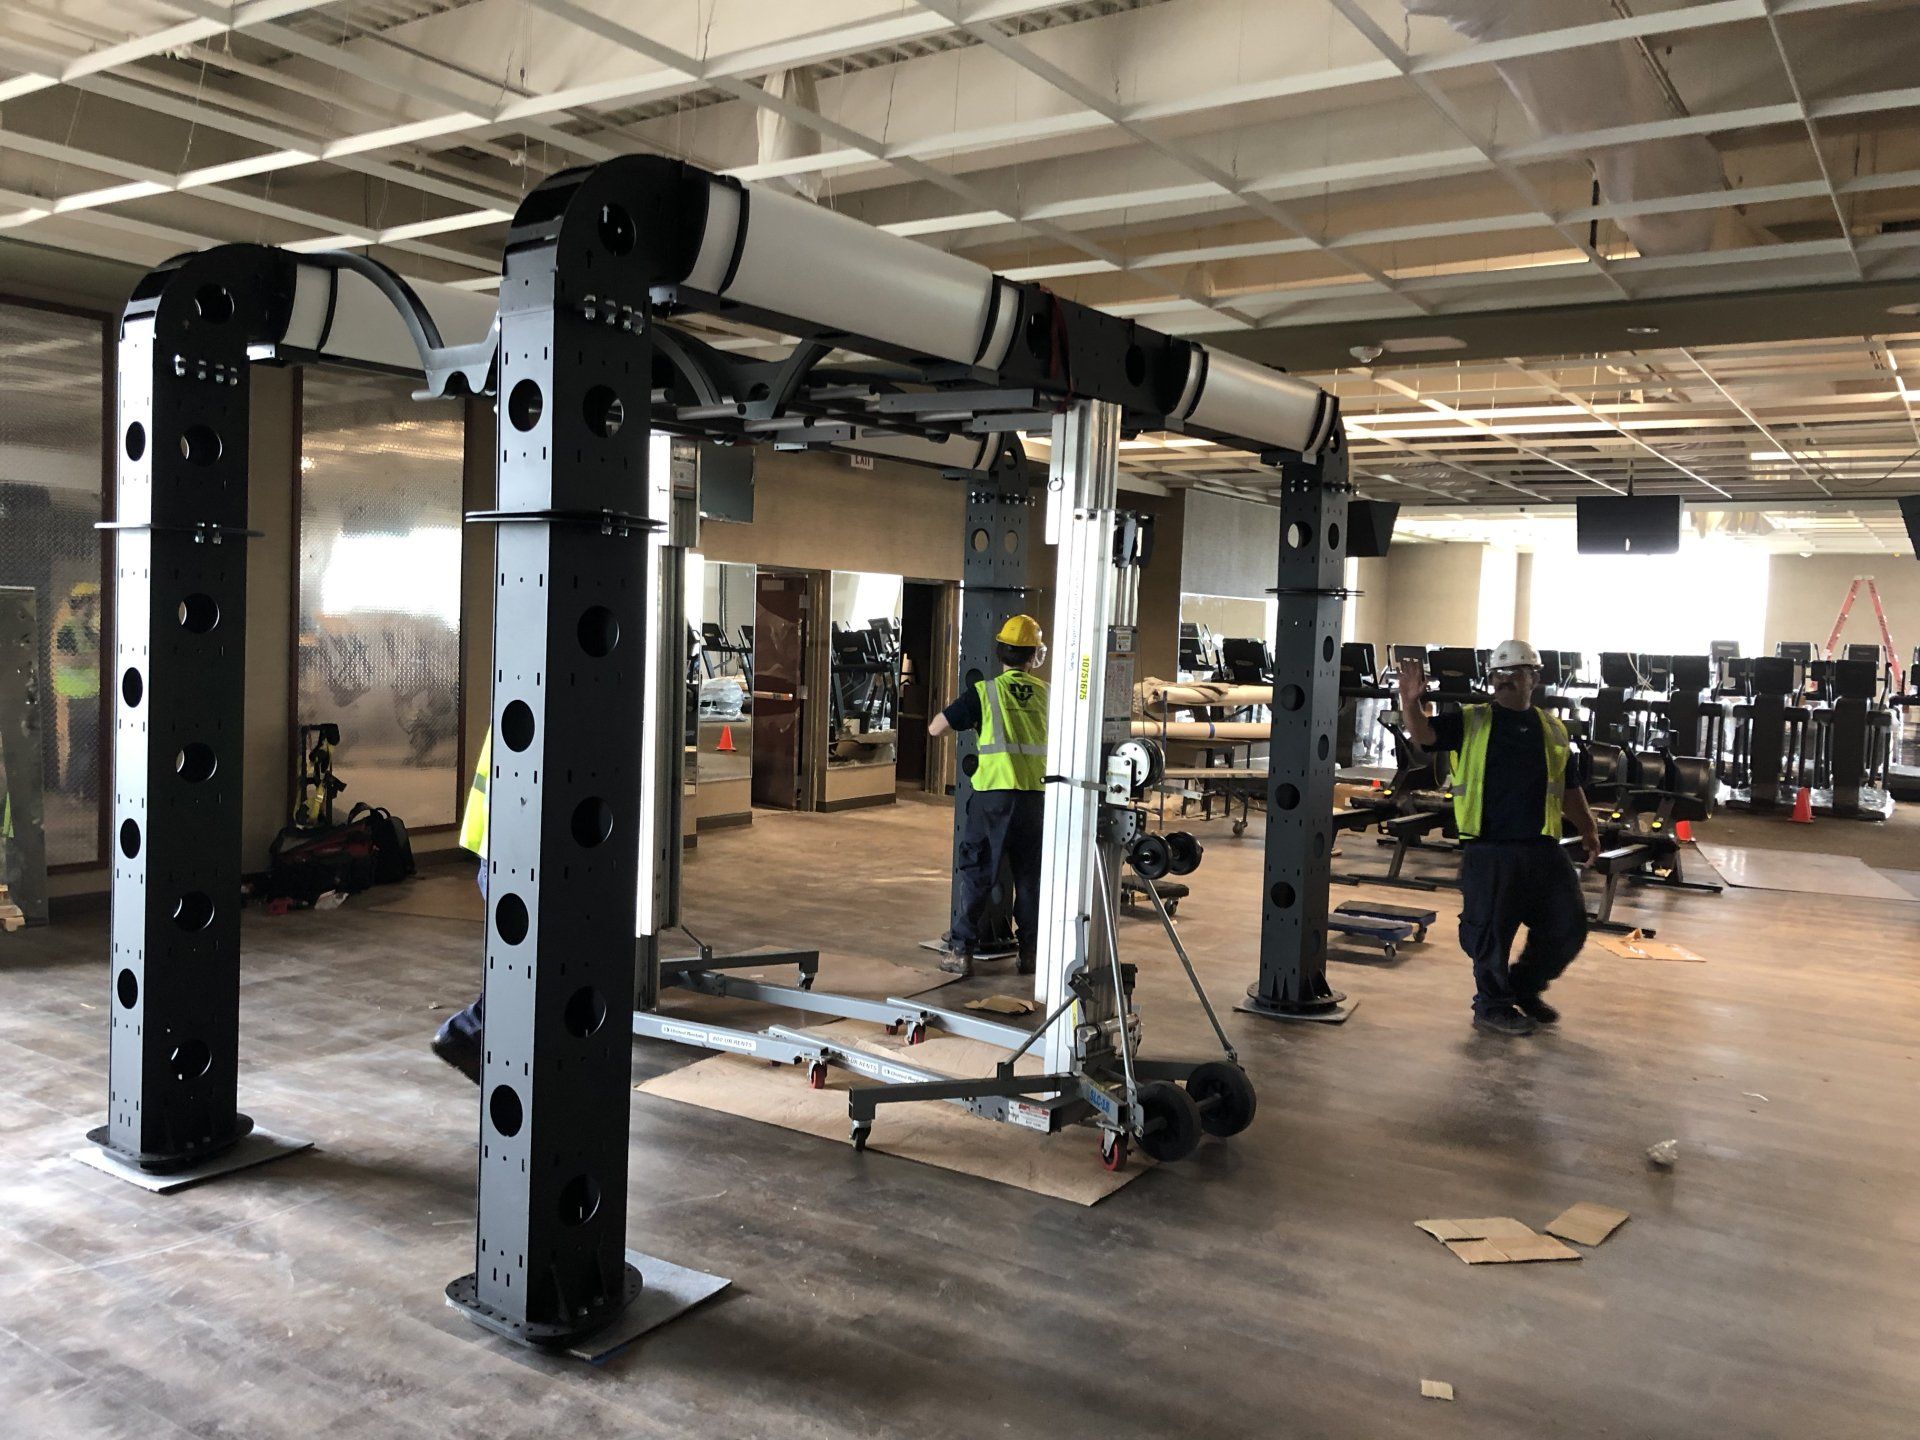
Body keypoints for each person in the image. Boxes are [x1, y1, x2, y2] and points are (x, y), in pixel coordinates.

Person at [1396, 639, 1602, 1037]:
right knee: (1490, 934)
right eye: (1499, 674)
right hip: (1489, 847)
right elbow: (1423, 734)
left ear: (1534, 679)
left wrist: (1588, 829)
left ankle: (1523, 986)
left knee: (1567, 925)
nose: (1505, 681)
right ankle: (1491, 1004)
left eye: (1516, 673)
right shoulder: (1470, 720)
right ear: (1490, 679)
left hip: (1542, 845)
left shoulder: (1552, 728)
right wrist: (1410, 702)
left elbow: (1569, 786)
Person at [926, 614, 1049, 977]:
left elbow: (936, 728)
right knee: (1029, 879)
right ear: (1033, 656)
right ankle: (1029, 954)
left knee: (979, 872)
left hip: (993, 798)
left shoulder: (985, 692)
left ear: (1001, 654)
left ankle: (961, 951)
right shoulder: (1049, 695)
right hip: (1036, 799)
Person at [431, 729, 491, 1082]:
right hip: (508, 850)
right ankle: (465, 1034)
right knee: (532, 961)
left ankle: (469, 1035)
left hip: (496, 846)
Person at [52, 581, 101, 799]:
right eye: (93, 601)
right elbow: (64, 660)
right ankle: (71, 792)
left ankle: (89, 794)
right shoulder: (68, 630)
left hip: (94, 696)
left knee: (93, 747)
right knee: (81, 748)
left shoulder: (89, 630)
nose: (96, 606)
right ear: (83, 602)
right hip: (79, 698)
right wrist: (91, 659)